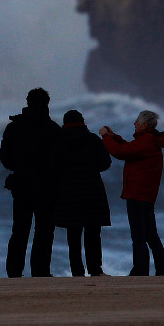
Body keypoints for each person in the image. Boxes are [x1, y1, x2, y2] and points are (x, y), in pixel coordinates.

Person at [0, 87, 61, 277]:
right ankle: (40, 271)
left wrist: (19, 168)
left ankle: (14, 272)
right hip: (46, 187)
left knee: (20, 229)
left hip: (22, 184)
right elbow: (59, 161)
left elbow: (5, 158)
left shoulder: (14, 127)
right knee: (44, 231)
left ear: (27, 102)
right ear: (47, 103)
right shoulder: (53, 129)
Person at [100, 110, 164, 276]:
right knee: (150, 235)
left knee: (139, 235)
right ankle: (161, 269)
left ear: (144, 125)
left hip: (137, 193)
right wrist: (114, 136)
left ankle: (141, 269)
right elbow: (129, 148)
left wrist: (105, 137)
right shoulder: (150, 140)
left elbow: (121, 152)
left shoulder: (146, 141)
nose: (134, 124)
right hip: (146, 194)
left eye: (137, 122)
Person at [50, 109, 111, 277]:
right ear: (82, 122)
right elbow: (105, 163)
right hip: (92, 191)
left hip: (69, 192)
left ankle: (77, 271)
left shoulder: (59, 142)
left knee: (73, 235)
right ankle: (95, 269)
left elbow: (53, 168)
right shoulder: (92, 139)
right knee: (93, 233)